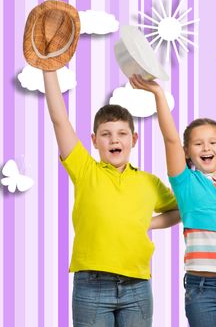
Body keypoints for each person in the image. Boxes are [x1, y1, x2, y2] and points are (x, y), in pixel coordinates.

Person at [129, 75, 216, 327]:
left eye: (212, 142)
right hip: (200, 290)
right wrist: (159, 94)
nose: (206, 148)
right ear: (187, 152)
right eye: (198, 143)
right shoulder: (186, 183)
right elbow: (170, 139)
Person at [43, 70, 179, 327]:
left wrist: (148, 222)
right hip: (92, 287)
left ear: (134, 139)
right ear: (94, 141)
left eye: (122, 133)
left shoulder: (149, 182)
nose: (114, 139)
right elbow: (59, 120)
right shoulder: (85, 170)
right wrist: (48, 70)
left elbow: (182, 209)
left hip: (138, 287)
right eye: (106, 134)